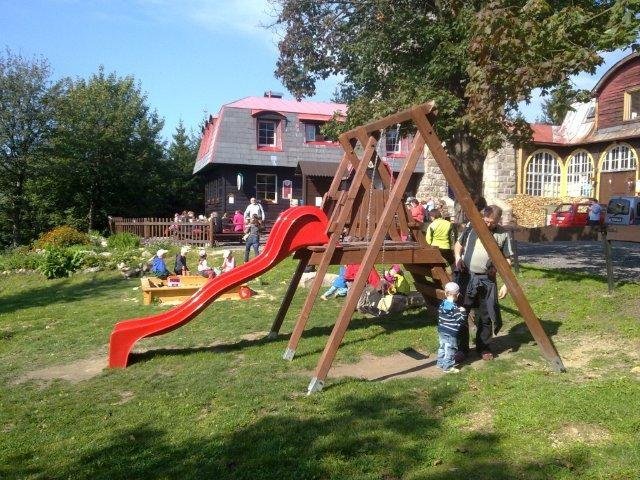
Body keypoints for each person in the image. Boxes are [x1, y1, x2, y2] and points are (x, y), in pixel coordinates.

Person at [454, 205, 513, 361]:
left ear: (498, 220)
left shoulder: (502, 234)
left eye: (491, 222)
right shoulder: (470, 227)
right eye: (485, 221)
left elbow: (507, 260)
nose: (487, 225)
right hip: (467, 277)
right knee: (462, 313)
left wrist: (506, 284)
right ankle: (462, 349)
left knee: (486, 315)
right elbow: (458, 245)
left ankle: (484, 348)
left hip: (487, 279)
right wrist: (457, 258)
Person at [436, 281, 467, 373]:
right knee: (451, 348)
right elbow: (460, 320)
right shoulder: (455, 308)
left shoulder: (442, 304)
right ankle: (448, 367)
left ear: (446, 293)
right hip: (451, 332)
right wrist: (463, 312)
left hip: (442, 330)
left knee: (442, 346)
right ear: (457, 295)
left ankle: (440, 363)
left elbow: (440, 316)